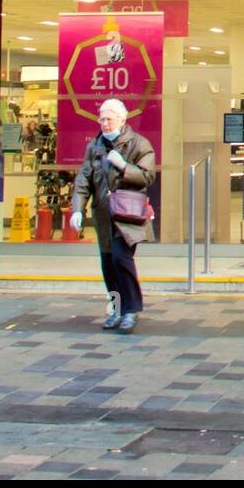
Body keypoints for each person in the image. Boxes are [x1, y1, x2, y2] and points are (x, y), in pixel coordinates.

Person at [70, 99, 156, 334]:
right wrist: (77, 208)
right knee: (108, 264)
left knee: (121, 259)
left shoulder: (138, 144)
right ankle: (117, 309)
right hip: (103, 214)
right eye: (102, 119)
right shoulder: (95, 146)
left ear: (122, 120)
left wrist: (124, 166)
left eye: (109, 119)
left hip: (127, 214)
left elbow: (148, 176)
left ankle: (130, 310)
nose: (105, 123)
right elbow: (84, 179)